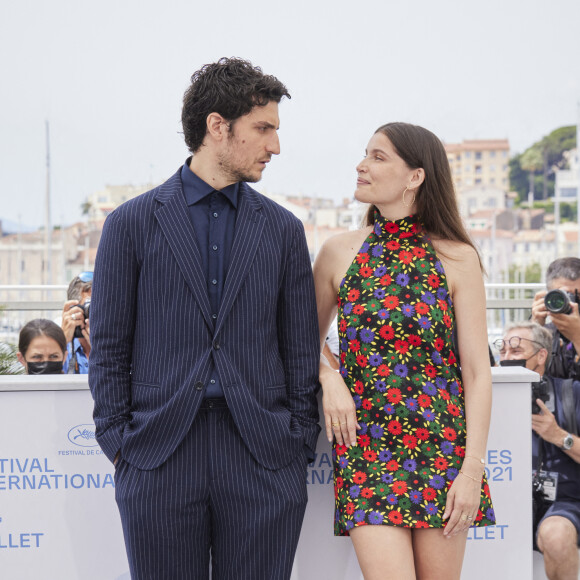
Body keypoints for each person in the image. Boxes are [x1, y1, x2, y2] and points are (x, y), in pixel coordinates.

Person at [88, 58, 320, 580]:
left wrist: (297, 442)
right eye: (264, 128)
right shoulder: (130, 224)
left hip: (263, 456)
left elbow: (301, 346)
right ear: (218, 126)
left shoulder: (283, 230)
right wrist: (118, 441)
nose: (275, 146)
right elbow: (107, 347)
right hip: (159, 454)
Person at [314, 122, 495, 579]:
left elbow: (476, 372)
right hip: (367, 447)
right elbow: (301, 340)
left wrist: (471, 471)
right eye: (365, 154)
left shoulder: (457, 257)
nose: (362, 165)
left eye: (378, 157)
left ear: (415, 176)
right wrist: (328, 376)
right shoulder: (338, 253)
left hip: (443, 451)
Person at [497, 321, 580, 580]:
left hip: (560, 503)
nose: (507, 358)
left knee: (557, 537)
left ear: (541, 355)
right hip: (501, 502)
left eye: (516, 351)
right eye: (503, 351)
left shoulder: (571, 393)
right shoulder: (490, 395)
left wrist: (559, 436)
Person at [531, 257, 580, 380]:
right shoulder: (545, 334)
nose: (573, 303)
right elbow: (524, 377)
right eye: (562, 296)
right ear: (548, 297)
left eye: (577, 296)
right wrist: (534, 329)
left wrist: (577, 337)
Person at [60, 271, 92, 374]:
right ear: (73, 309)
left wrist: (102, 349)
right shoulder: (62, 349)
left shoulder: (119, 346)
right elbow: (43, 382)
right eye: (90, 308)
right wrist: (62, 341)